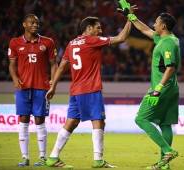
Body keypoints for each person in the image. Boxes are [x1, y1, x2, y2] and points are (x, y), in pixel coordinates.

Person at [45, 16, 131, 168]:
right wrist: (130, 19)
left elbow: (62, 66)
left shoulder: (71, 43)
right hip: (90, 88)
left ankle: (53, 157)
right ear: (88, 28)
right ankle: (98, 160)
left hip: (76, 90)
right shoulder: (92, 40)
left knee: (71, 122)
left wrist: (53, 87)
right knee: (98, 121)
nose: (100, 30)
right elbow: (122, 38)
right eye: (97, 27)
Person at [119, 1, 180, 169]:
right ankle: (164, 164)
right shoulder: (168, 39)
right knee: (165, 123)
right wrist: (130, 16)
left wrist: (158, 89)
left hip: (162, 87)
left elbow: (170, 67)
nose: (154, 24)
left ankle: (167, 150)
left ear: (164, 25)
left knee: (141, 119)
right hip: (172, 88)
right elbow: (144, 29)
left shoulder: (167, 43)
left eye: (157, 22)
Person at [8, 14, 58, 167]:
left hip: (41, 88)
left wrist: (53, 82)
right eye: (32, 22)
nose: (35, 25)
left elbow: (54, 64)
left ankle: (42, 157)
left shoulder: (48, 42)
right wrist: (15, 79)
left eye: (37, 22)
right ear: (24, 24)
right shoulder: (15, 42)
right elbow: (12, 65)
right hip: (23, 87)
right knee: (23, 120)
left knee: (39, 120)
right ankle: (25, 157)